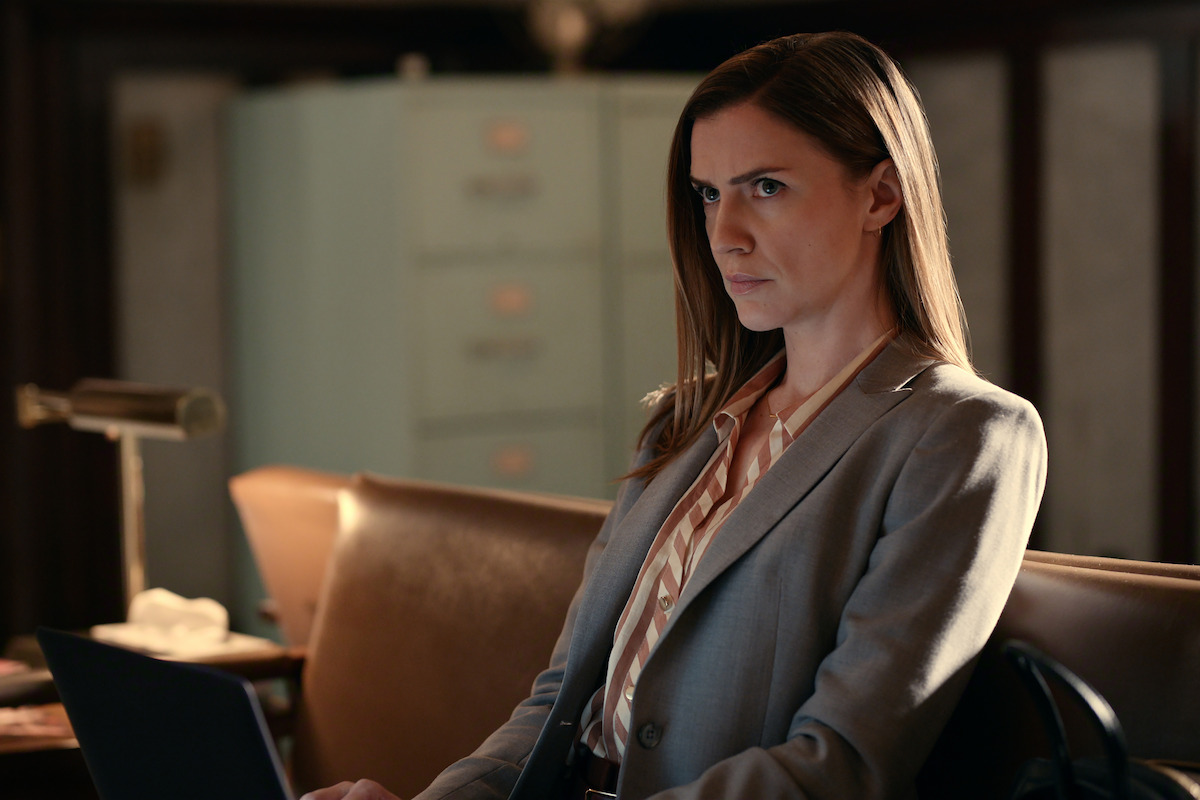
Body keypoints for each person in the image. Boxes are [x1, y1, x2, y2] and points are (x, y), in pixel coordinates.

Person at [301, 30, 1047, 800]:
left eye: (766, 187)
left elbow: (843, 765)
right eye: (708, 194)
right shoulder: (683, 423)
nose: (724, 235)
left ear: (881, 196)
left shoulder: (964, 434)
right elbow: (559, 699)